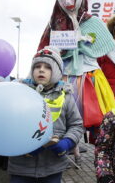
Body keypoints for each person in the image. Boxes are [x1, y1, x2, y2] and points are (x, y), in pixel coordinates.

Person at [38, 0, 115, 145]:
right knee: (59, 119)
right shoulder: (54, 24)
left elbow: (113, 51)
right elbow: (42, 52)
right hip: (63, 77)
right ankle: (65, 147)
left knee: (99, 119)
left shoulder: (94, 22)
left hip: (90, 77)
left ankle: (102, 155)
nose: (66, 0)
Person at [8, 48, 84, 183]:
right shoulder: (19, 93)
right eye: (37, 66)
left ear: (56, 72)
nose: (41, 70)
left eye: (47, 67)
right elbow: (8, 123)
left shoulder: (65, 97)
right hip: (21, 166)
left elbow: (76, 125)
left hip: (53, 167)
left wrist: (67, 142)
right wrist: (23, 145)